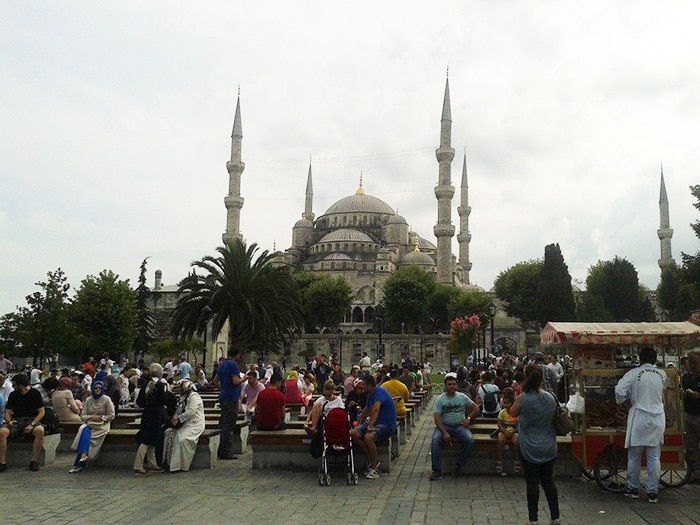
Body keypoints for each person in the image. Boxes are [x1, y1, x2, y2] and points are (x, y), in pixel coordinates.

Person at [615, 347, 668, 503]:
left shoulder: (633, 373)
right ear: (655, 358)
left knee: (634, 457)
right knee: (654, 457)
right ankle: (653, 491)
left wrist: (624, 403)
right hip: (657, 418)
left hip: (639, 416)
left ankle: (633, 488)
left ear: (640, 358)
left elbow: (619, 390)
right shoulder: (663, 374)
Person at [509, 365, 560, 525]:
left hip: (529, 446)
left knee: (532, 484)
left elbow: (512, 413)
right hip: (548, 445)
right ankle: (555, 517)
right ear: (542, 380)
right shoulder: (551, 397)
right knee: (549, 482)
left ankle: (533, 519)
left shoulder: (523, 398)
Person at [430, 375, 481, 480]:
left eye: (453, 384)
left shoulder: (462, 397)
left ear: (457, 385)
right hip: (444, 426)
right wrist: (444, 432)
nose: (451, 386)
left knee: (470, 440)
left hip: (459, 426)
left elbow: (476, 408)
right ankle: (437, 470)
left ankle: (458, 465)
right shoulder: (440, 399)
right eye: (449, 384)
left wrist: (469, 418)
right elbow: (437, 418)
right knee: (435, 440)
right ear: (445, 386)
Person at [351, 373, 396, 480]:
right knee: (353, 434)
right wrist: (360, 422)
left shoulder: (379, 392)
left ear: (370, 386)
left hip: (386, 424)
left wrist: (370, 426)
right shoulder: (369, 394)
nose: (363, 387)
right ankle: (372, 461)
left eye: (365, 385)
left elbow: (376, 409)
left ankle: (374, 468)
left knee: (368, 437)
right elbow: (367, 409)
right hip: (375, 422)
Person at [0, 373, 46, 472]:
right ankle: (2, 462)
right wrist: (9, 422)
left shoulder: (35, 393)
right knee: (2, 432)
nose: (12, 386)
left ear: (20, 385)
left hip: (31, 420)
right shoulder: (13, 395)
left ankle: (34, 461)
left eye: (14, 384)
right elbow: (7, 412)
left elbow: (41, 412)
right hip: (17, 420)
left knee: (40, 431)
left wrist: (32, 424)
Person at [68, 380, 115, 473]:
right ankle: (83, 455)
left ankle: (79, 462)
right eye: (96, 388)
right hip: (90, 424)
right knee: (83, 430)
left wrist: (101, 418)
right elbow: (83, 416)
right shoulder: (88, 400)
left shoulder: (107, 399)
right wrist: (91, 417)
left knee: (85, 434)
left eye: (100, 388)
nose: (97, 390)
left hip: (102, 425)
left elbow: (112, 415)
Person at [133, 363, 169, 476]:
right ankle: (138, 466)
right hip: (156, 414)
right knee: (147, 440)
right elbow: (164, 400)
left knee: (153, 440)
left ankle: (152, 464)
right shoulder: (160, 385)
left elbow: (139, 402)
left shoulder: (145, 384)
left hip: (147, 413)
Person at [162, 379, 205, 472]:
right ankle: (168, 462)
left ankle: (180, 465)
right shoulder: (183, 397)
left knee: (181, 439)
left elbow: (191, 412)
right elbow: (178, 410)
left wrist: (179, 418)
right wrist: (175, 418)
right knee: (168, 433)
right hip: (185, 422)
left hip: (195, 423)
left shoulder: (194, 396)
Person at [213, 348, 244, 459]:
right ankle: (226, 451)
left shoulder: (222, 364)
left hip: (223, 396)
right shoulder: (233, 365)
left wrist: (223, 389)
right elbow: (235, 381)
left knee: (222, 423)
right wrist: (243, 379)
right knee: (229, 425)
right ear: (237, 355)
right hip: (231, 398)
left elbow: (215, 381)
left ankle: (218, 449)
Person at [682, 350, 700, 482]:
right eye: (691, 362)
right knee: (691, 446)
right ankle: (696, 473)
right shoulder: (686, 377)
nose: (692, 365)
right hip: (689, 415)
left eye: (695, 362)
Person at [496, 389, 520, 475]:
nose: (506, 405)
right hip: (504, 430)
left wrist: (513, 432)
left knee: (516, 442)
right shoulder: (502, 412)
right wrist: (504, 431)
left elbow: (518, 425)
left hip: (514, 431)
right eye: (504, 403)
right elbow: (499, 423)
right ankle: (500, 460)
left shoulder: (516, 413)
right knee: (501, 441)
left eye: (508, 403)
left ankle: (516, 459)